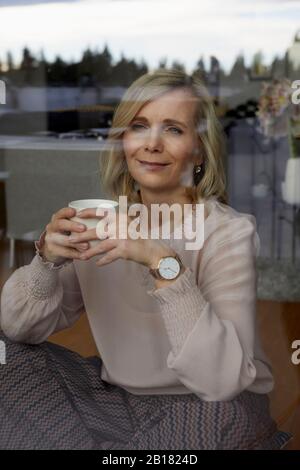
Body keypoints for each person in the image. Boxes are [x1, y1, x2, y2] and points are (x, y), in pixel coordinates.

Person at [0, 69, 293, 450]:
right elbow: (19, 330)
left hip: (208, 403)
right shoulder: (100, 223)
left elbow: (220, 380)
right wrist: (47, 261)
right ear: (123, 141)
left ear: (200, 148)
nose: (151, 144)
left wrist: (159, 259)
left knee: (223, 418)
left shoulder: (228, 233)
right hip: (119, 399)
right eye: (139, 126)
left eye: (173, 129)